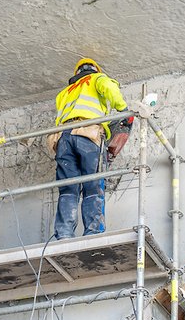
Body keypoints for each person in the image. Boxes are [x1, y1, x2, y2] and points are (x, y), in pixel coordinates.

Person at [48, 58, 128, 240]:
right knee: (93, 186)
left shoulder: (65, 93)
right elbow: (111, 90)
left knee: (68, 190)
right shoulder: (96, 79)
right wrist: (124, 109)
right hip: (87, 133)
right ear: (95, 69)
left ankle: (64, 235)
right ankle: (93, 234)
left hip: (63, 138)